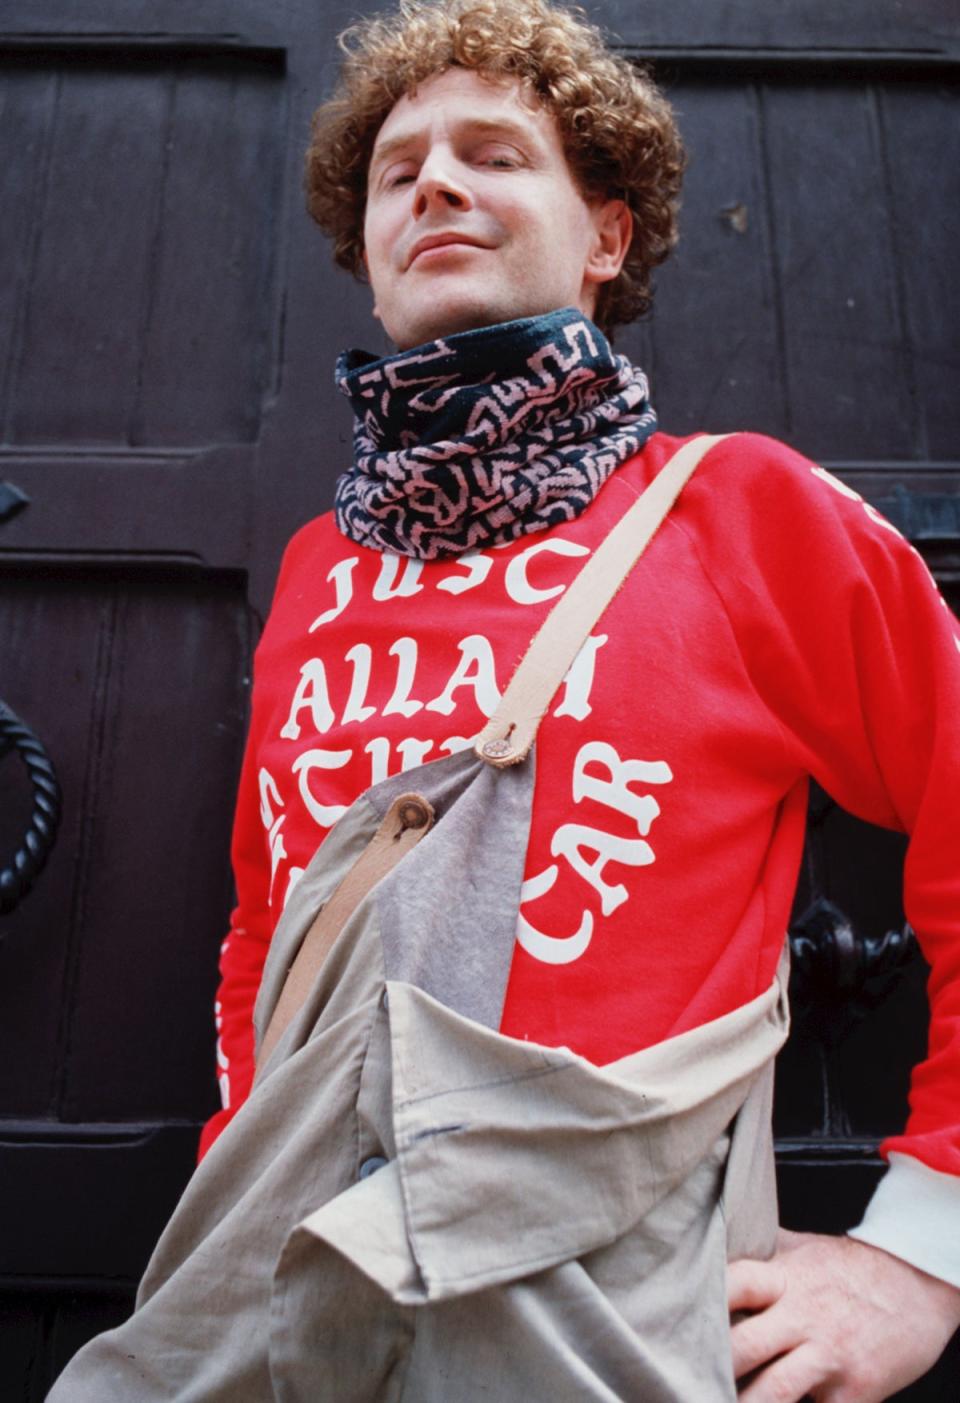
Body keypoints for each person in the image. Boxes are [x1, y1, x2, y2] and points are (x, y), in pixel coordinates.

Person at [51, 1, 960, 1399]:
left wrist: (926, 1245)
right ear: (365, 255)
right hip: (267, 1308)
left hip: (590, 1324)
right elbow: (268, 915)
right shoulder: (318, 565)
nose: (436, 182)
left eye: (495, 151)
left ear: (603, 236)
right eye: (398, 167)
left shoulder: (741, 511)